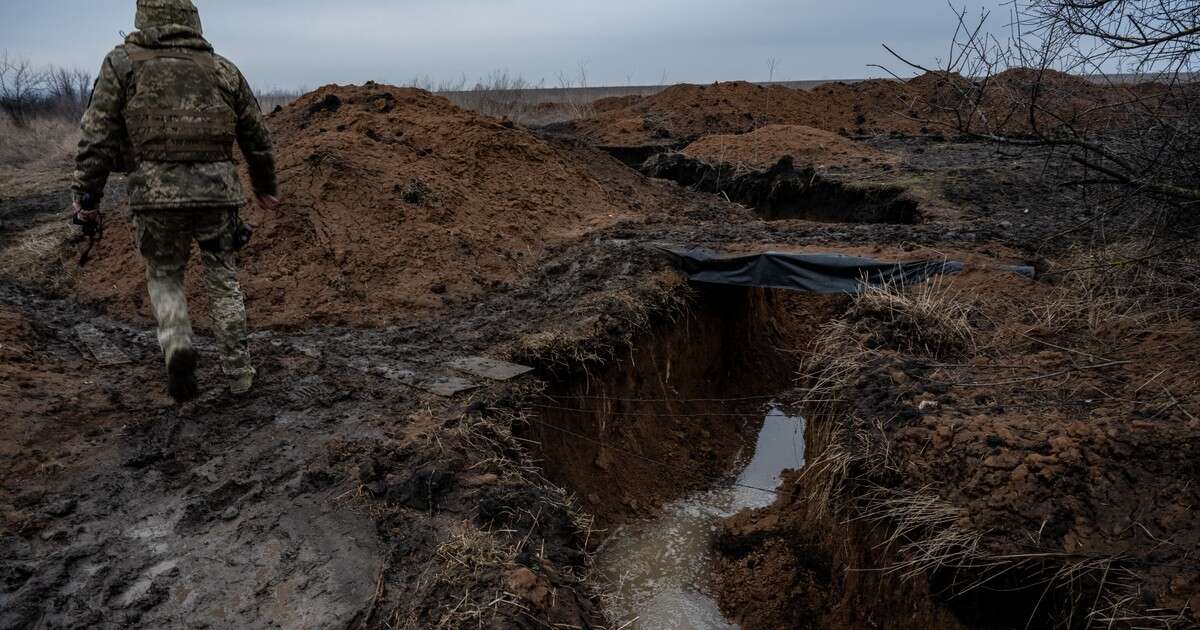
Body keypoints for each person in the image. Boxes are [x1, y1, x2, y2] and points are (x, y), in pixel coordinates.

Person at [71, 0, 279, 403]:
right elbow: (256, 135)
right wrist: (264, 184)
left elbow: (96, 137)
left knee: (165, 275)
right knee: (223, 279)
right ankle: (239, 373)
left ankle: (178, 343)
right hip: (217, 195)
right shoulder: (223, 68)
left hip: (155, 196)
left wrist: (87, 198)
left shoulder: (122, 64)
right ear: (192, 21)